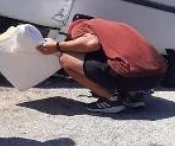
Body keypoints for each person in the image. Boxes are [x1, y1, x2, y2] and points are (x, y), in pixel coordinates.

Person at [37, 18, 168, 114]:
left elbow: (91, 43)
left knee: (66, 59)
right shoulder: (118, 25)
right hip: (157, 76)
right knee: (120, 61)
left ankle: (111, 100)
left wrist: (57, 46)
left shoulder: (81, 25)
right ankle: (133, 96)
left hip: (128, 75)